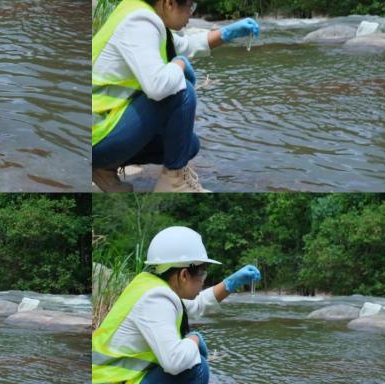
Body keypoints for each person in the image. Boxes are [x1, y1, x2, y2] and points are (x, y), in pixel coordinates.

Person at [92, 0, 260, 192]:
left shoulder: (144, 15)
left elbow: (185, 45)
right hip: (97, 135)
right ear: (170, 3)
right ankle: (173, 183)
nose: (191, 13)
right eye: (190, 6)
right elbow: (158, 86)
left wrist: (227, 33)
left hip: (103, 129)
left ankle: (104, 168)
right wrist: (179, 64)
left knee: (188, 145)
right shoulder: (140, 22)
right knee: (182, 92)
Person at [92, 226, 261, 383]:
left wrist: (231, 283)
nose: (204, 280)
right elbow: (175, 362)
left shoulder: (152, 286)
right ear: (184, 274)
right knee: (196, 367)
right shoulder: (156, 299)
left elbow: (196, 305)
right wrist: (193, 339)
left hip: (115, 377)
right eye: (202, 274)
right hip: (111, 380)